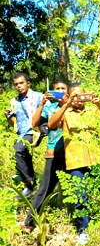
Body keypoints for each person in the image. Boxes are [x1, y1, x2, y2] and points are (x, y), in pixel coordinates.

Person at [48, 83, 100, 245]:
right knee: (79, 197)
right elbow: (51, 125)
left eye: (82, 95)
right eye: (75, 96)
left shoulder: (92, 110)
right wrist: (67, 104)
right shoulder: (65, 112)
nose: (79, 99)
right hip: (75, 161)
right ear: (68, 96)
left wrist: (98, 104)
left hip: (97, 158)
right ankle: (83, 231)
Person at [21, 81, 69, 233]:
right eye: (57, 89)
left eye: (63, 89)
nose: (60, 91)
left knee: (83, 186)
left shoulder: (73, 106)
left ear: (68, 92)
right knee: (45, 189)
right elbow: (34, 123)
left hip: (73, 154)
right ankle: (29, 221)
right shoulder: (49, 106)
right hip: (53, 153)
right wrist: (42, 103)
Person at [4, 73, 44, 197]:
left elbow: (48, 109)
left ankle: (28, 184)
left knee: (19, 149)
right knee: (24, 156)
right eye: (16, 84)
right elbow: (13, 124)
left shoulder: (38, 97)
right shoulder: (15, 102)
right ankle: (32, 182)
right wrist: (8, 117)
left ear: (28, 83)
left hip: (34, 131)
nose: (19, 86)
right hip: (21, 134)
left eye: (21, 83)